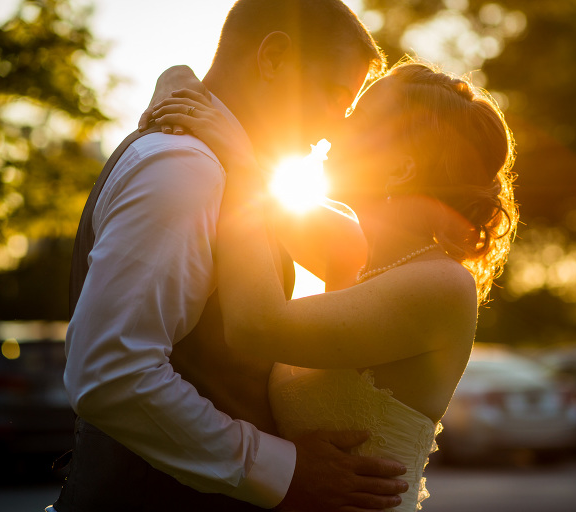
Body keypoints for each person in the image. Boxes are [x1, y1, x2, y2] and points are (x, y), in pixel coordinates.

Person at [49, 1, 410, 511]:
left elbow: (345, 242)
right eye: (333, 96)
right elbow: (112, 373)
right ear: (274, 57)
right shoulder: (183, 168)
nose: (332, 130)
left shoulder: (228, 173)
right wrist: (285, 469)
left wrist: (192, 97)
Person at [146, 59, 518, 511]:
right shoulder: (350, 248)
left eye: (359, 119)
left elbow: (255, 325)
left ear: (399, 169)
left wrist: (240, 164)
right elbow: (203, 106)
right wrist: (173, 83)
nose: (335, 127)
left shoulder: (442, 285)